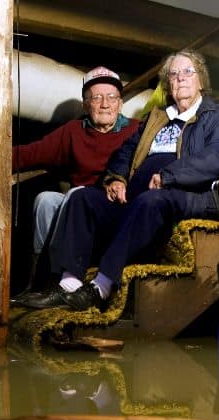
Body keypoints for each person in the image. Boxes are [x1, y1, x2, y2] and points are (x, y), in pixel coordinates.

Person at [19, 50, 219, 312]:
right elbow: (125, 152)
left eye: (187, 72)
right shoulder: (158, 117)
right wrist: (116, 178)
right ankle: (69, 284)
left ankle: (101, 284)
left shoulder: (215, 114)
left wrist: (170, 175)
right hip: (136, 197)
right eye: (174, 74)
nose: (180, 78)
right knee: (82, 196)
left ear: (200, 80)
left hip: (187, 194)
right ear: (168, 83)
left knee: (150, 201)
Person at [11, 66, 140, 293]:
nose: (104, 104)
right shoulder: (73, 131)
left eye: (111, 97)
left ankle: (68, 279)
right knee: (45, 200)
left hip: (114, 211)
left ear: (120, 103)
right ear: (85, 104)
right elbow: (32, 152)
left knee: (75, 194)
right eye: (96, 98)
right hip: (76, 210)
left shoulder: (136, 130)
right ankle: (44, 277)